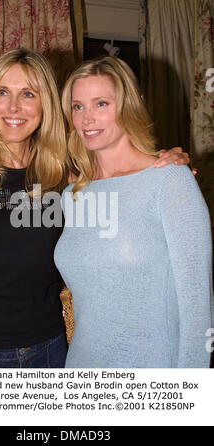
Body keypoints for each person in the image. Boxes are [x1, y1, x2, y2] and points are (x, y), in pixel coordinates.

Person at [0, 48, 191, 368]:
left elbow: (124, 189)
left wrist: (169, 167)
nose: (14, 107)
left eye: (28, 94)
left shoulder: (63, 176)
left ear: (44, 104)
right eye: (3, 92)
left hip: (49, 350)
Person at [54, 55, 213, 368]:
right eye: (77, 106)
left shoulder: (170, 179)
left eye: (101, 103)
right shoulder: (72, 195)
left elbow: (198, 309)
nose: (87, 119)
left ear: (127, 105)